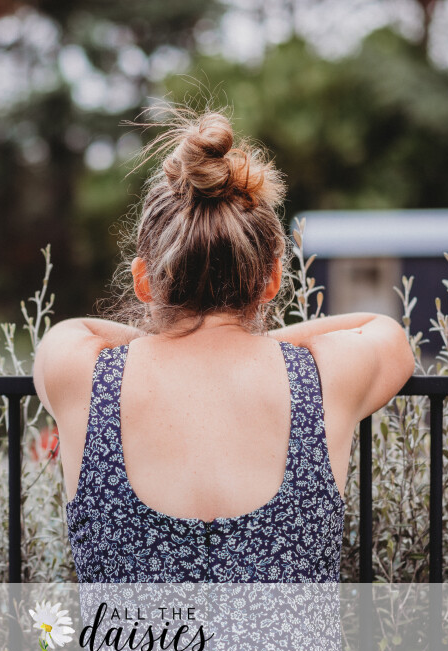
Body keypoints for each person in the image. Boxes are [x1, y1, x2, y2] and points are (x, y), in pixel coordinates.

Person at [34, 109, 415, 585]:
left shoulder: (83, 375)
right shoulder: (322, 378)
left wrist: (177, 337)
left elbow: (72, 330)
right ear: (271, 280)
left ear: (143, 281)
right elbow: (385, 332)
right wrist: (252, 342)